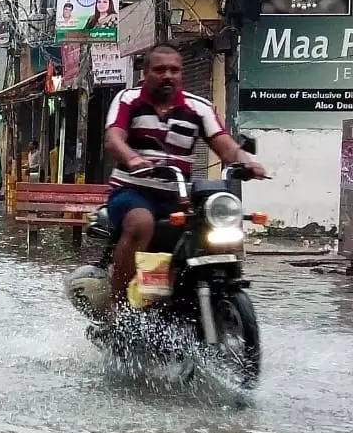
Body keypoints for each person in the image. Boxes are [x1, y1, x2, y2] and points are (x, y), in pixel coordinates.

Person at [104, 44, 268, 312]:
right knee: (141, 222)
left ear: (181, 74)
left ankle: (200, 291)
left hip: (178, 196)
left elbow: (225, 145)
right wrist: (132, 158)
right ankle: (118, 306)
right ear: (145, 73)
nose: (167, 75)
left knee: (212, 227)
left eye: (174, 70)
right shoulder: (128, 100)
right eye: (159, 70)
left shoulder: (198, 107)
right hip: (132, 192)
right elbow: (114, 139)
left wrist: (247, 162)